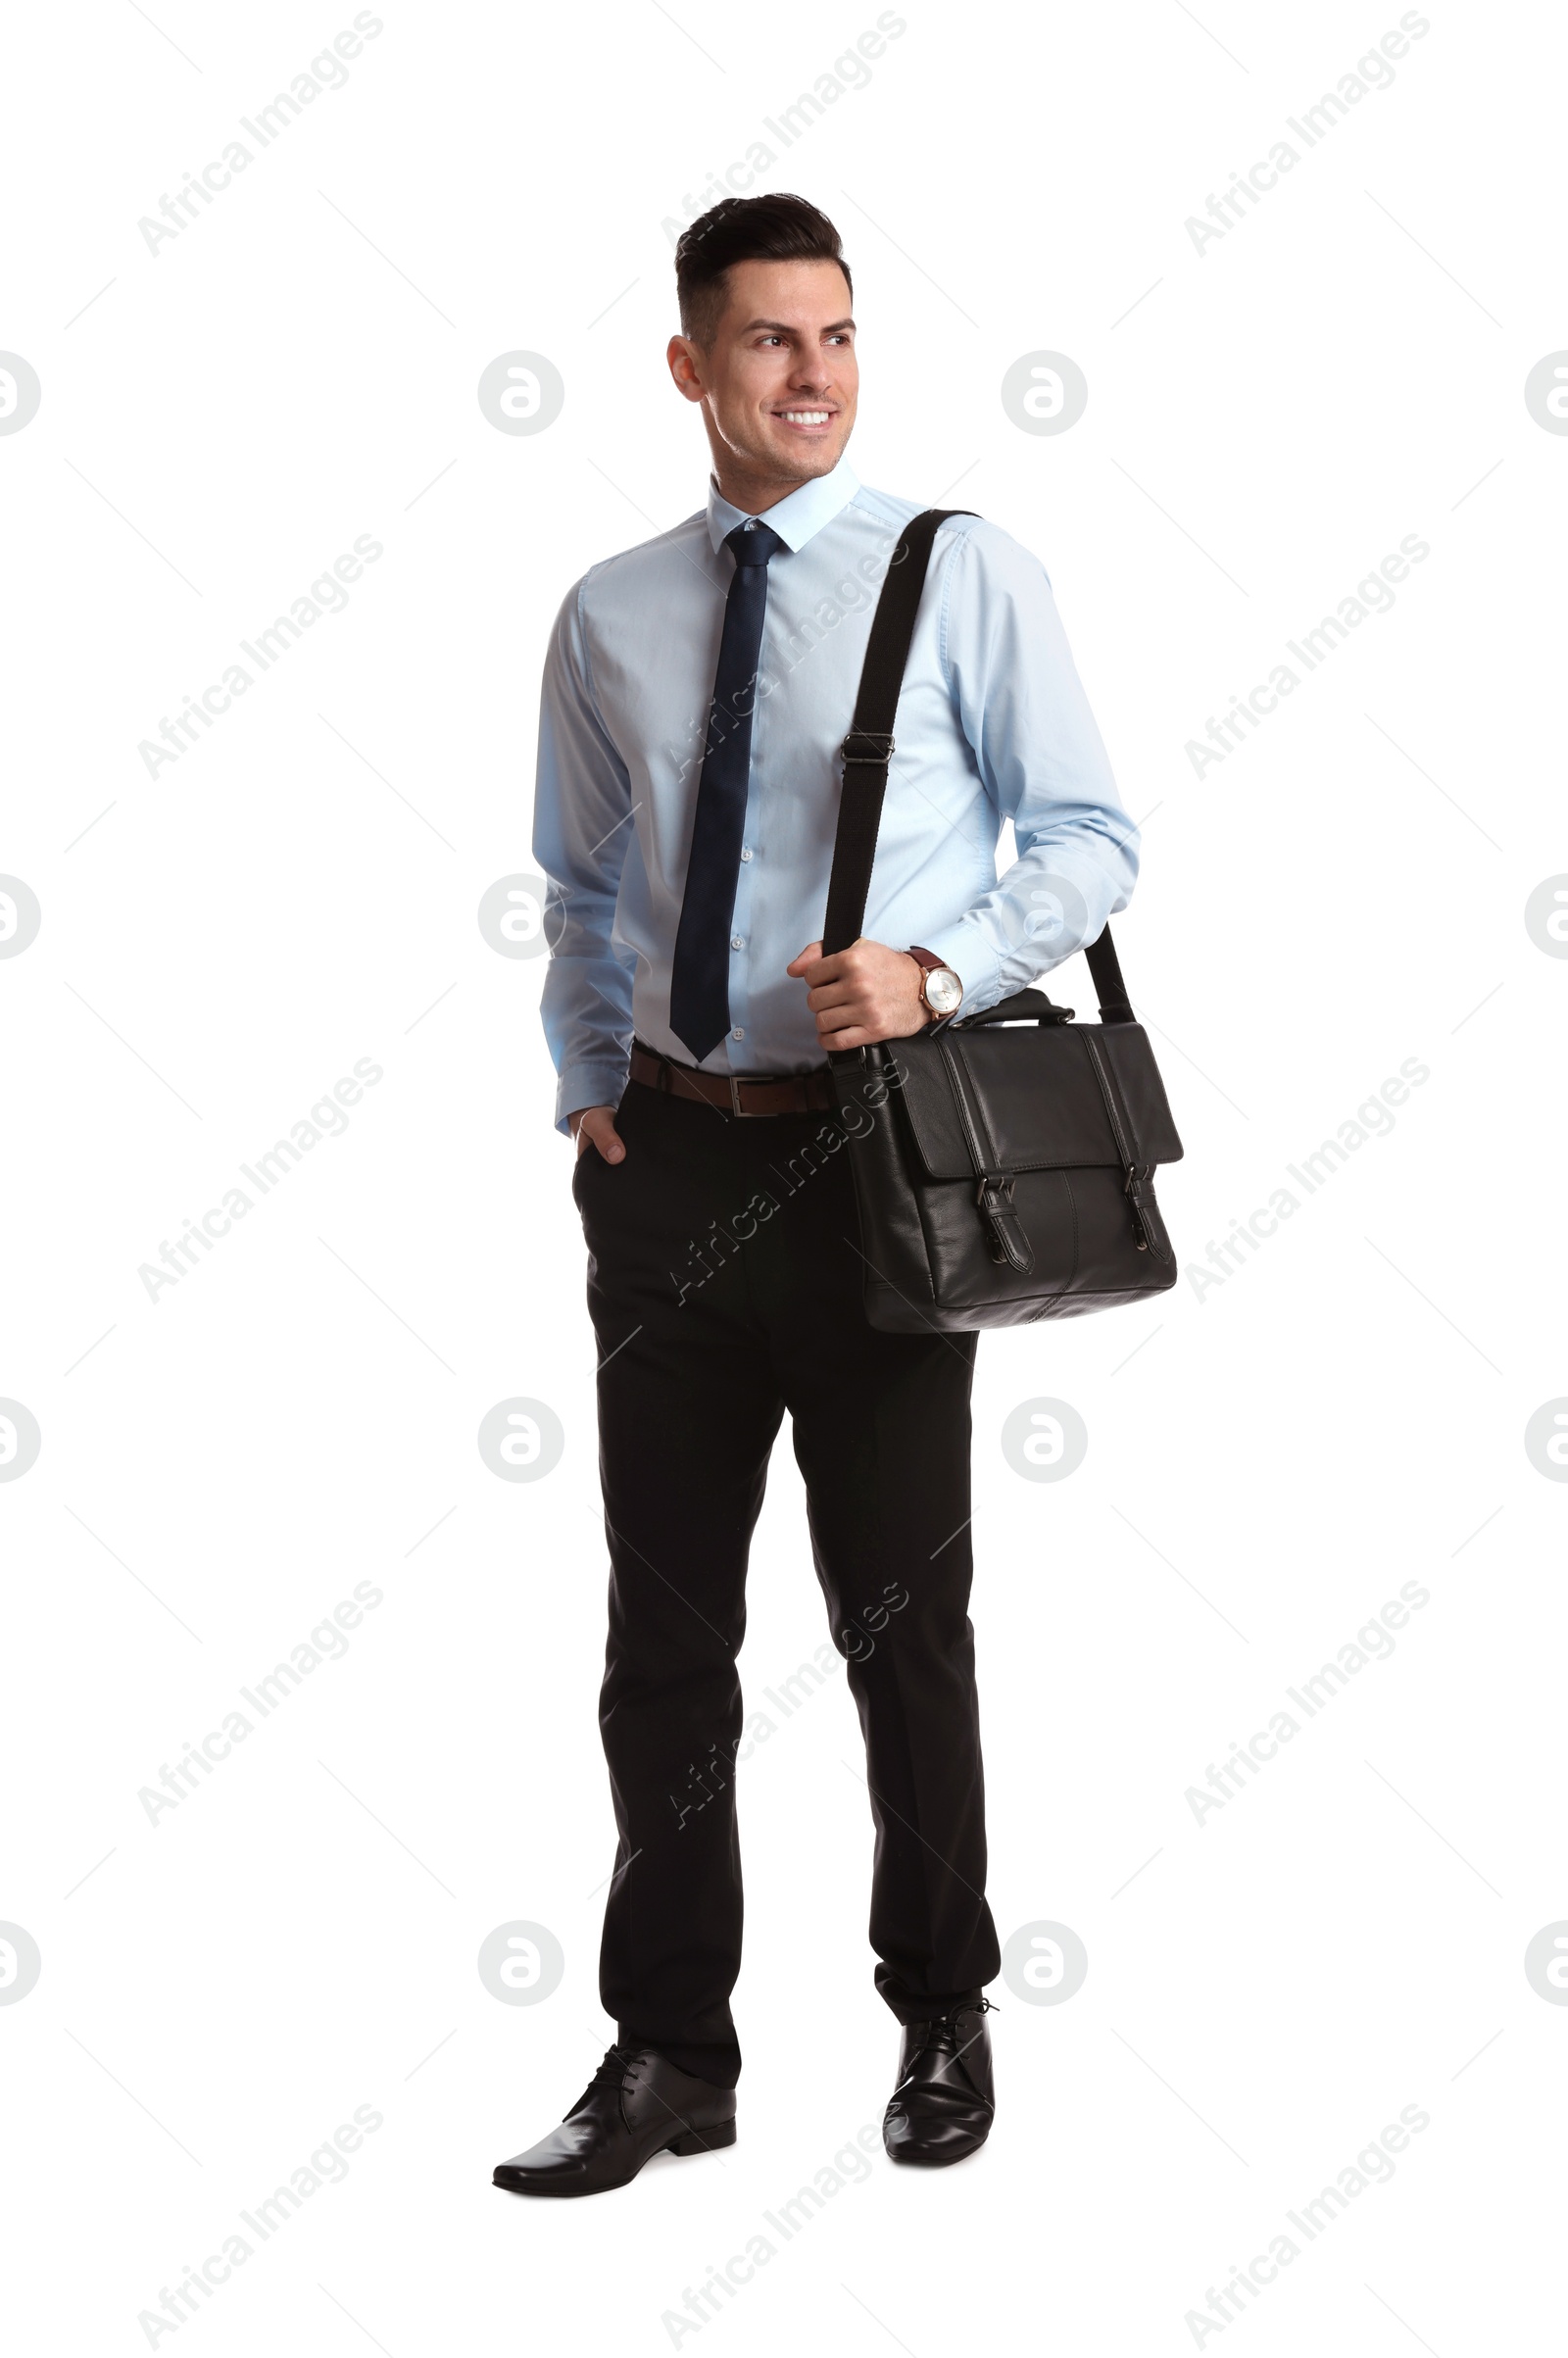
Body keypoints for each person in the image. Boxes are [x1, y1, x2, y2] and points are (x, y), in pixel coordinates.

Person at [493, 193, 1138, 2197]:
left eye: (839, 336)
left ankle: (938, 2012)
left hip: (881, 1172)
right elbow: (585, 884)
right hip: (669, 1172)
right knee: (662, 1645)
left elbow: (1093, 835)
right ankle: (668, 2053)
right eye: (768, 341)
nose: (811, 376)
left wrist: (936, 969)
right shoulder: (609, 610)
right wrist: (591, 1077)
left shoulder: (955, 576)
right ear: (690, 364)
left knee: (897, 1626)